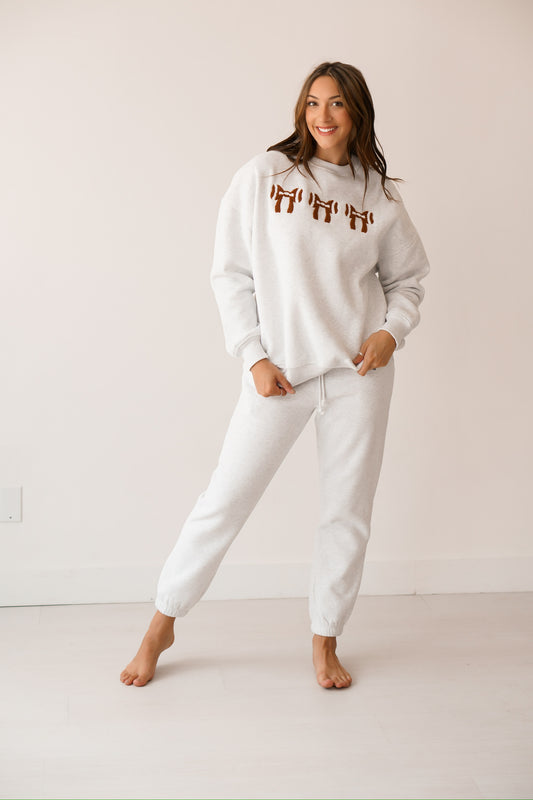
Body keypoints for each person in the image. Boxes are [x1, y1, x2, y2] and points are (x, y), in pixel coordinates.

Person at [120, 61, 430, 690]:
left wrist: (389, 333)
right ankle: (162, 624)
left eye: (337, 104)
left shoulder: (380, 196)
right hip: (280, 373)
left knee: (347, 512)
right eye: (313, 102)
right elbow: (230, 272)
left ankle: (325, 640)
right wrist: (253, 356)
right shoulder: (265, 176)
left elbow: (410, 281)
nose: (322, 116)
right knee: (224, 501)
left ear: (358, 113)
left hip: (357, 375)